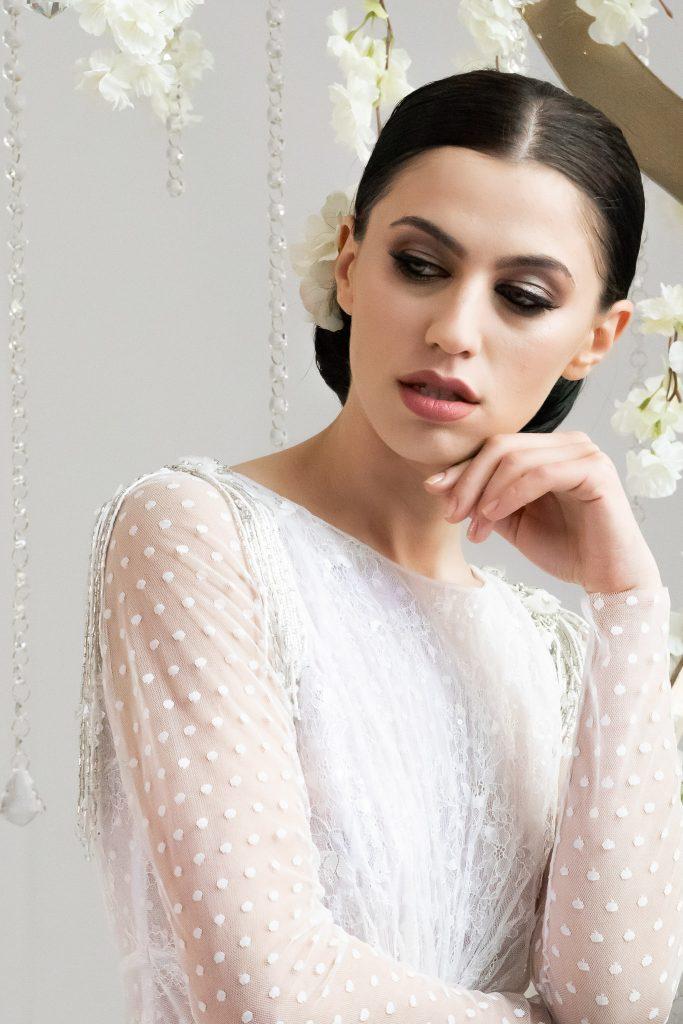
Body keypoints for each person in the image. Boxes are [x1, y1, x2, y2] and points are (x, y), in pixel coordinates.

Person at [78, 69, 683, 1024]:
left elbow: (619, 998)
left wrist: (629, 602)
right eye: (420, 265)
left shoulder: (551, 652)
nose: (453, 330)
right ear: (350, 265)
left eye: (522, 296)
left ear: (594, 340)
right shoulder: (199, 534)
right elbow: (267, 996)